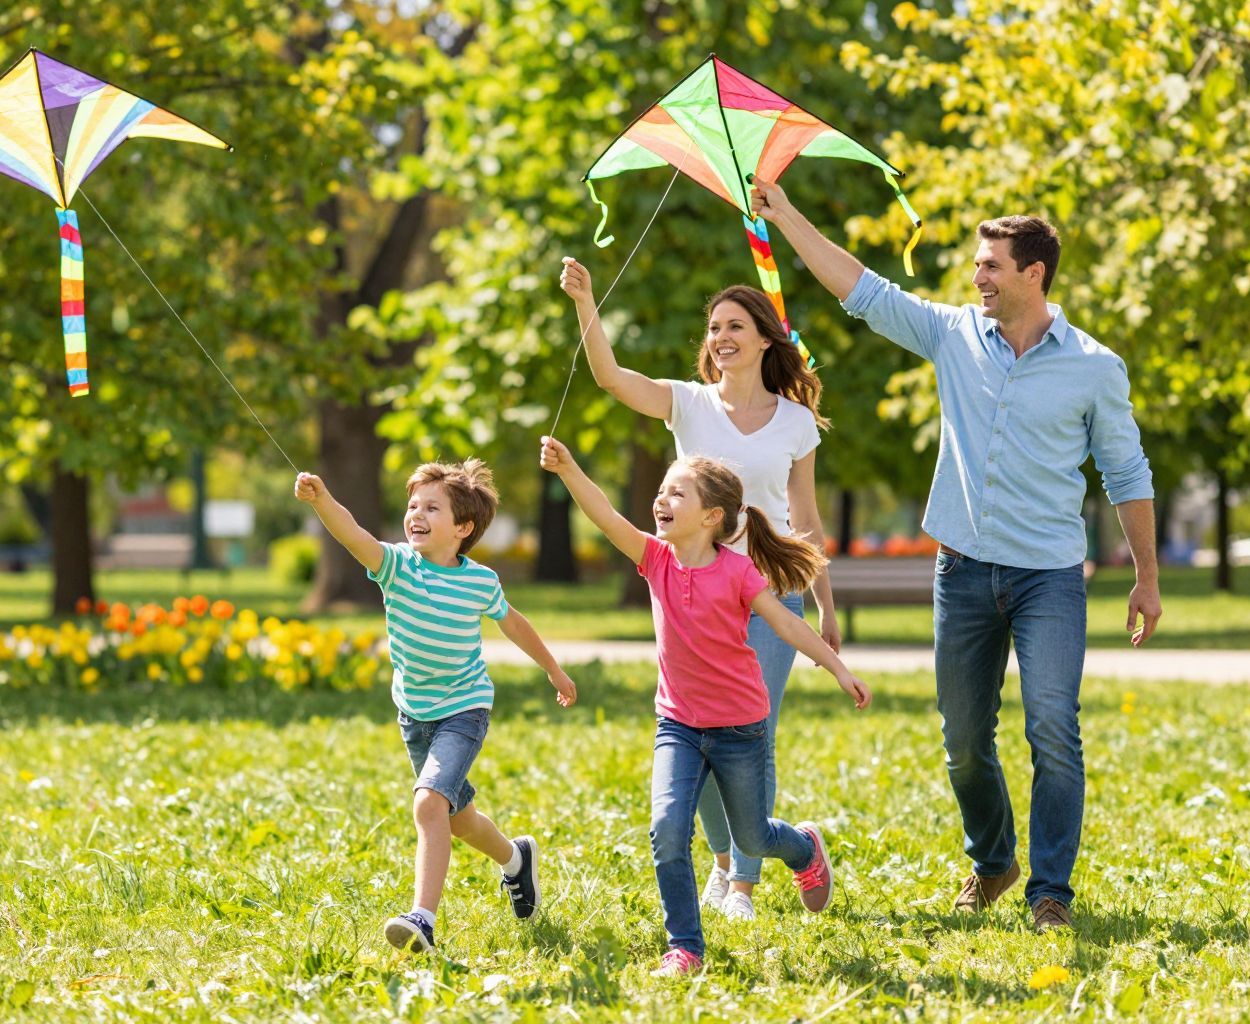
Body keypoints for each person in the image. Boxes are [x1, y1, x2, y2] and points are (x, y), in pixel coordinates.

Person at [749, 182, 1162, 932]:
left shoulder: (1096, 368)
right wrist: (785, 216)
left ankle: (1050, 893)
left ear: (1034, 273)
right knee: (965, 741)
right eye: (978, 265)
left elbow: (1127, 474)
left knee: (1052, 728)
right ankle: (993, 858)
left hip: (1049, 577)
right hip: (965, 570)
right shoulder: (952, 334)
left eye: (991, 266)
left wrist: (1147, 577)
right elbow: (862, 290)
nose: (977, 278)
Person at [559, 258, 840, 922]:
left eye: (736, 326)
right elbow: (609, 377)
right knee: (698, 733)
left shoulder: (796, 422)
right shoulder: (688, 401)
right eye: (714, 328)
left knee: (752, 734)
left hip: (768, 594)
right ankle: (725, 859)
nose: (721, 337)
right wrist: (585, 301)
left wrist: (827, 605)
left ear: (766, 338)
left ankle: (742, 881)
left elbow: (807, 519)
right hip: (692, 598)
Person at [538, 436, 869, 977]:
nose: (661, 500)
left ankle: (804, 849)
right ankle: (685, 946)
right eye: (662, 490)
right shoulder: (654, 558)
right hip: (678, 725)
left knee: (753, 837)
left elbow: (786, 623)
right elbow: (603, 515)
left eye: (677, 493)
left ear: (713, 516)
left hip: (741, 728)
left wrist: (838, 668)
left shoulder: (737, 572)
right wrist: (570, 468)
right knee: (667, 830)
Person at [294, 459, 578, 954]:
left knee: (428, 803)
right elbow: (352, 534)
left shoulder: (479, 581)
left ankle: (422, 919)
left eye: (431, 507)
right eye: (412, 506)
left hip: (465, 708)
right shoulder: (395, 565)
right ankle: (515, 859)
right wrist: (323, 501)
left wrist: (553, 668)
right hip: (414, 714)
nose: (415, 515)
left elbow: (514, 624)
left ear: (463, 528)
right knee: (455, 818)